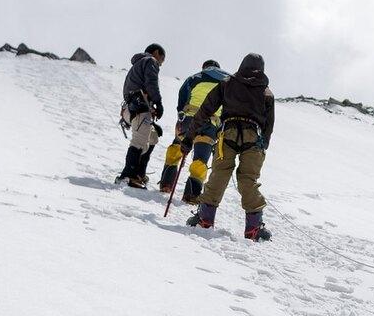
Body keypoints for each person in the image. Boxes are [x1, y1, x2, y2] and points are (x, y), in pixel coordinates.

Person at [185, 53, 275, 241]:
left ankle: (205, 219)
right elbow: (269, 124)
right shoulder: (266, 91)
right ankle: (253, 228)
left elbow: (206, 109)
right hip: (254, 135)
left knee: (220, 173)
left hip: (228, 133)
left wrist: (189, 137)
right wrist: (263, 144)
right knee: (248, 179)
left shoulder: (227, 83)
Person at [158, 59, 229, 203]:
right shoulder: (227, 83)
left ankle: (166, 183)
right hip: (211, 123)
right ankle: (192, 194)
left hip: (189, 119)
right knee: (200, 159)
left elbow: (183, 95)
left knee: (177, 147)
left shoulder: (195, 77)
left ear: (204, 67)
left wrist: (181, 113)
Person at [115, 43, 165, 189]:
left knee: (153, 137)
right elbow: (151, 83)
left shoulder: (137, 64)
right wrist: (158, 102)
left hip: (130, 109)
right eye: (162, 60)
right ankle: (128, 175)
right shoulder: (150, 61)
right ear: (156, 53)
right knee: (139, 142)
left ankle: (139, 173)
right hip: (140, 108)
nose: (160, 64)